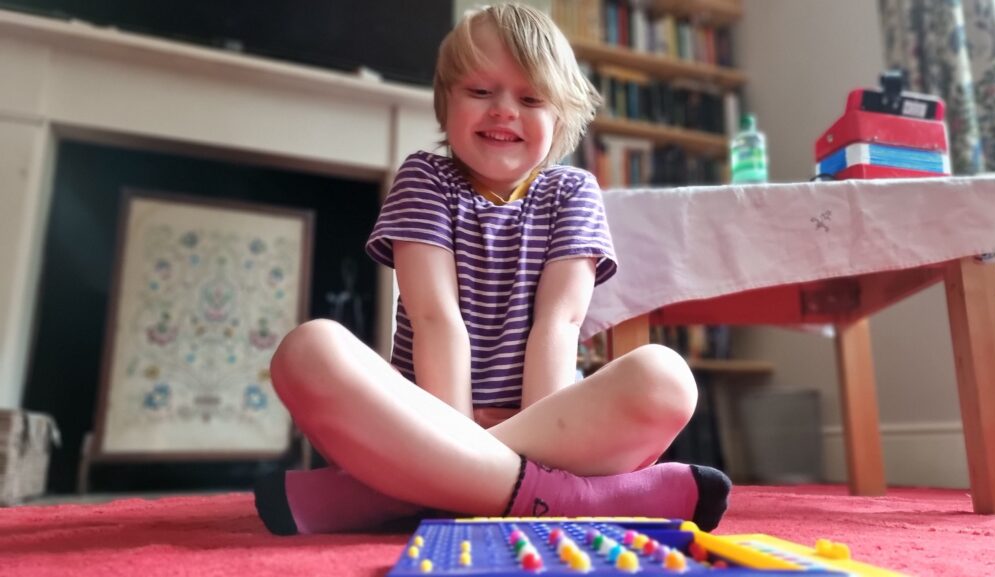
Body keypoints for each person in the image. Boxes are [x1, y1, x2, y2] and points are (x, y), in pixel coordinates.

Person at [254, 2, 730, 536]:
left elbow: (560, 325)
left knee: (667, 379)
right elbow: (437, 318)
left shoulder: (571, 190)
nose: (504, 111)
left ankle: (395, 494)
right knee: (308, 351)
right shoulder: (424, 178)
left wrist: (497, 442)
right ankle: (566, 498)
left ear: (560, 116)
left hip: (552, 424)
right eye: (481, 92)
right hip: (424, 414)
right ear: (447, 102)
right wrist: (456, 429)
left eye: (530, 98)